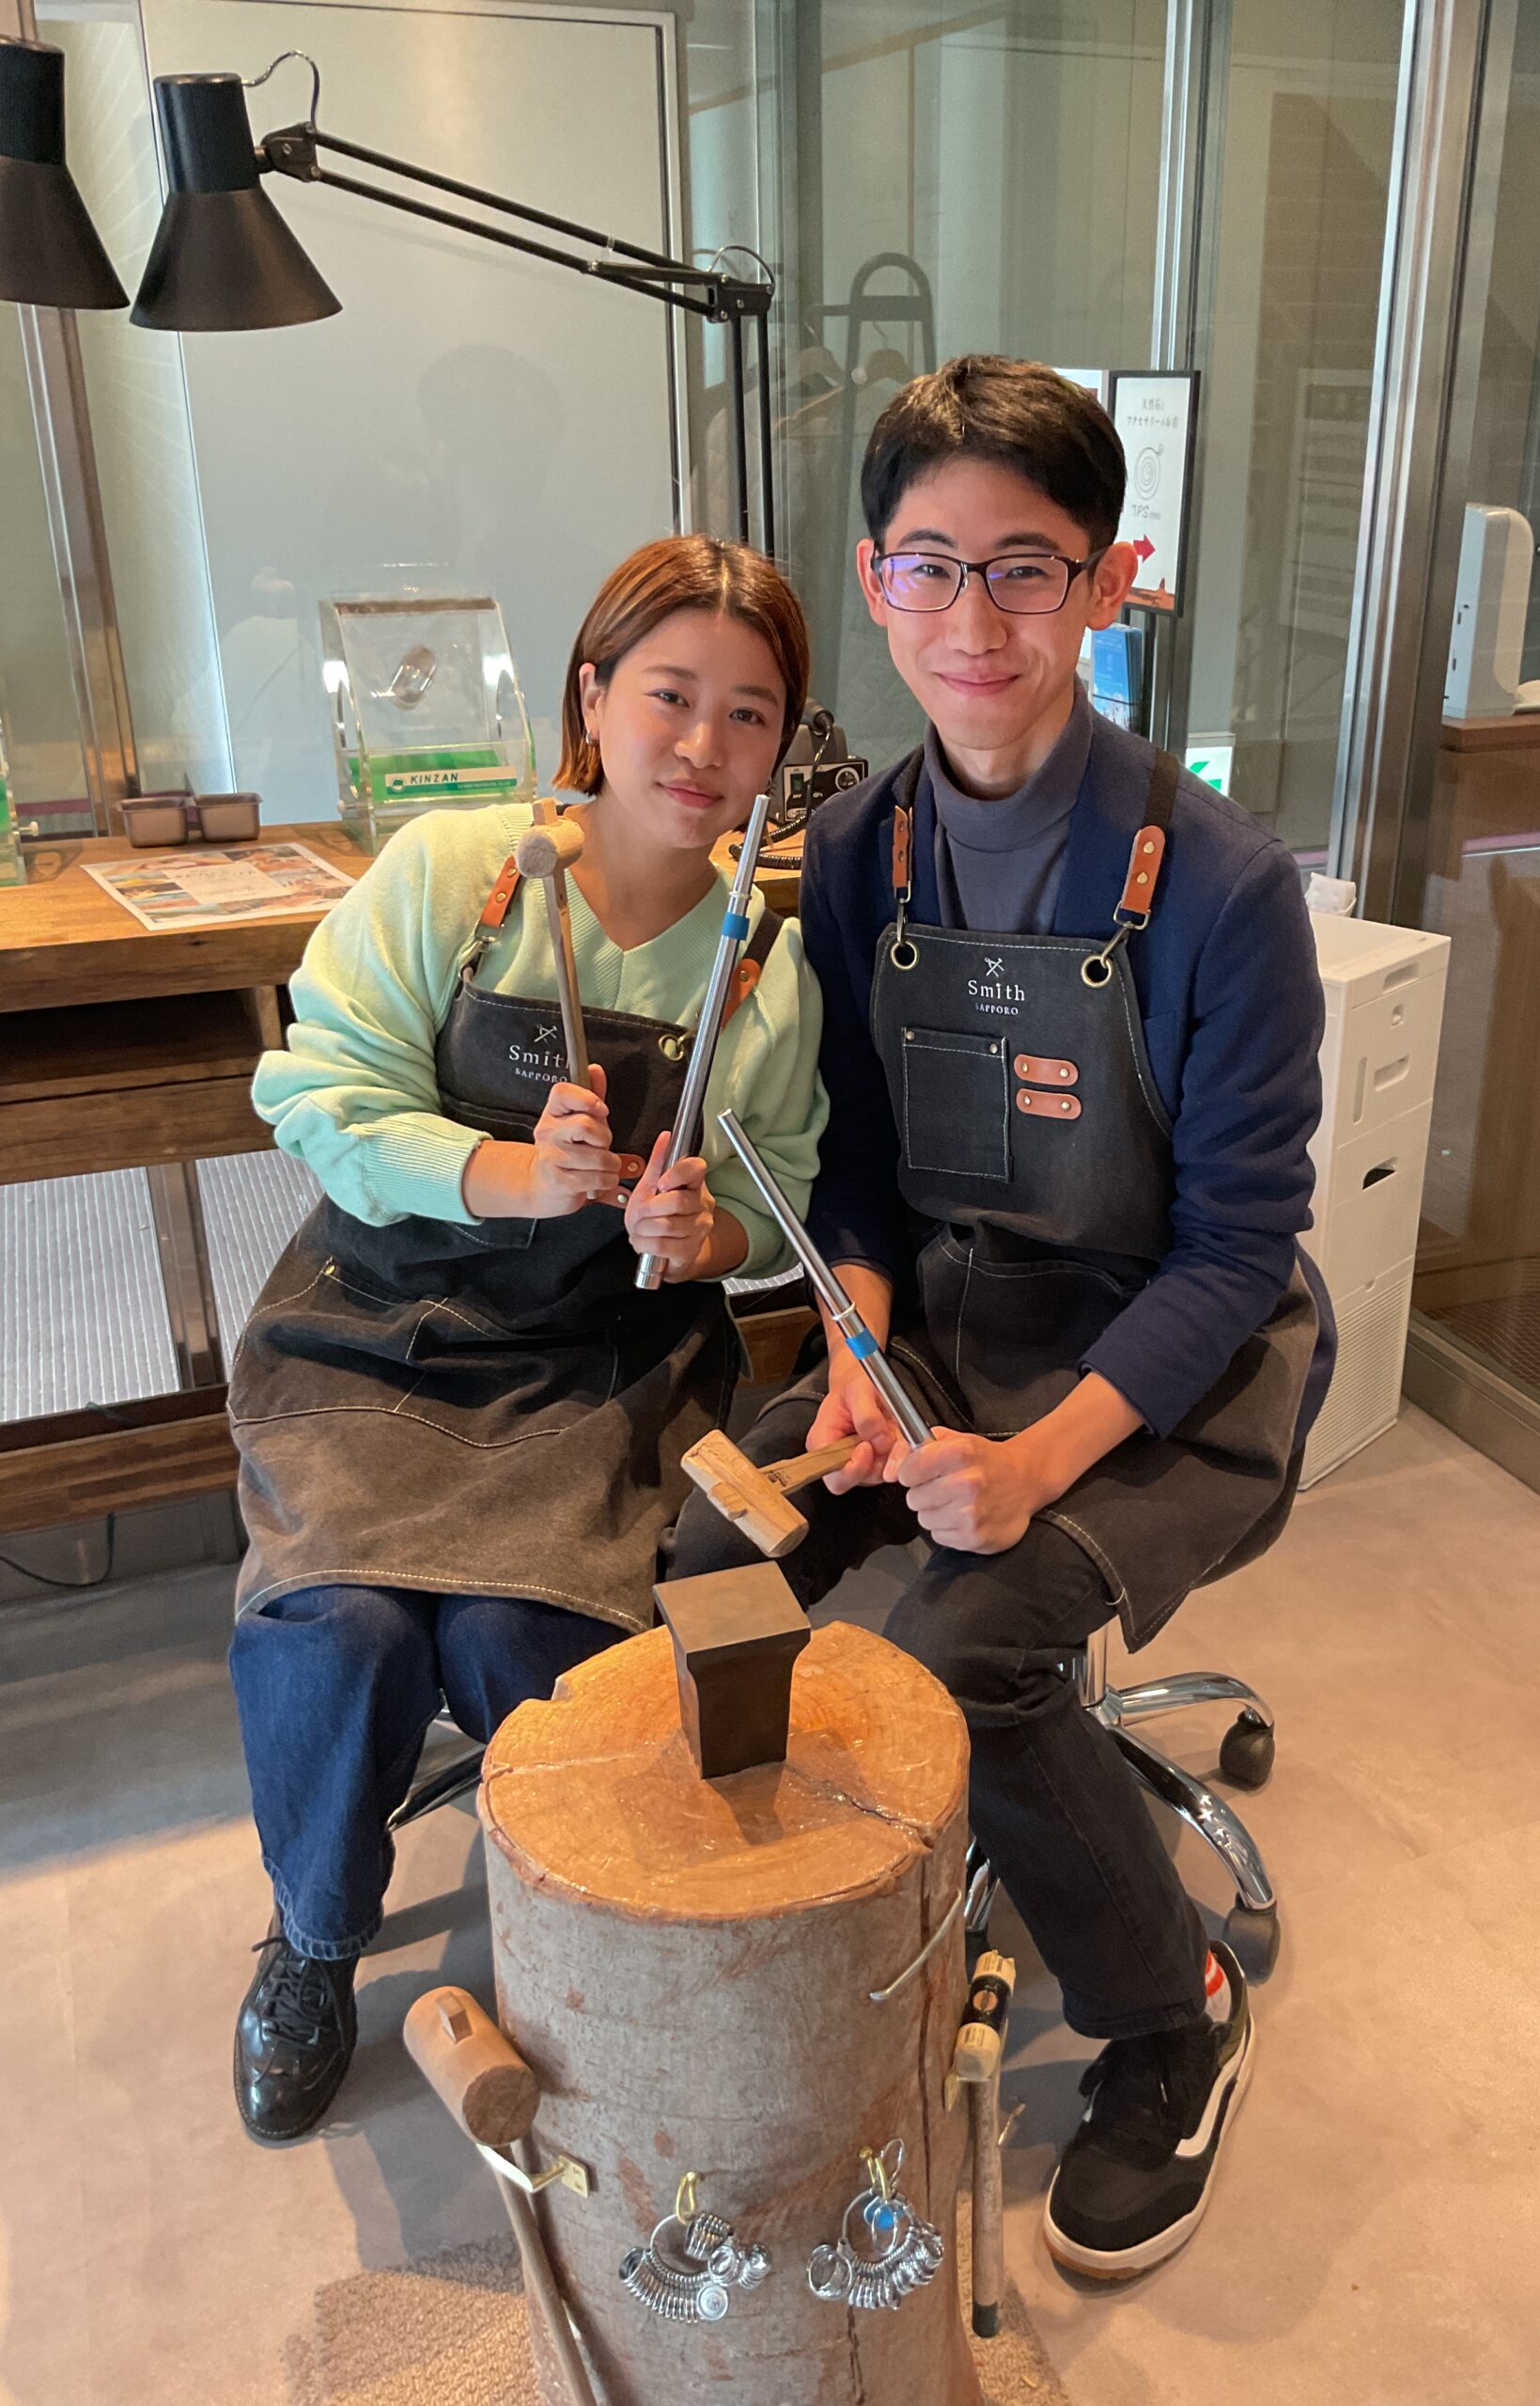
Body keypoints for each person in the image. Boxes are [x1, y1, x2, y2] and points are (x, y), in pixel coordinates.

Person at [669, 357, 1334, 2277]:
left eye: (1027, 568)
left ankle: (1170, 2012)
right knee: (713, 1550)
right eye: (930, 566)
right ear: (873, 581)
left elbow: (1238, 1249)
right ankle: (810, 1944)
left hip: (1171, 1364)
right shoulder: (857, 849)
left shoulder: (1222, 889)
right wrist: (856, 1347)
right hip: (943, 1321)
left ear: (1110, 580)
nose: (975, 621)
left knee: (970, 1642)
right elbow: (859, 1173)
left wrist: (1034, 1463)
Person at [227, 535, 826, 2143]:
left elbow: (783, 1191)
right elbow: (316, 1090)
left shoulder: (760, 964)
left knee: (524, 1639)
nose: (702, 746)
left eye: (750, 714)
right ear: (593, 695)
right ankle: (312, 1942)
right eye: (670, 696)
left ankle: (580, 1926)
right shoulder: (464, 875)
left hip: (600, 1364)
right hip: (377, 1326)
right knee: (339, 1631)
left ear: (783, 747)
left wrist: (709, 1237)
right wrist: (502, 1172)